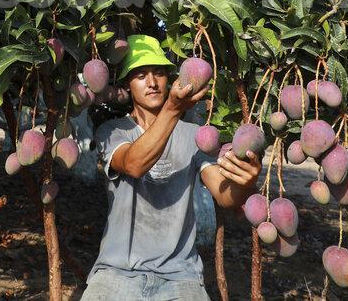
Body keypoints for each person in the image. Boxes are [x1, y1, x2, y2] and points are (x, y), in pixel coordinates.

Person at [81, 35, 262, 300]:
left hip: (180, 275)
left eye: (159, 74)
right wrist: (173, 109)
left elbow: (225, 197)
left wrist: (245, 183)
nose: (152, 83)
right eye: (141, 75)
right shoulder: (113, 131)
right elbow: (134, 164)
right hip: (116, 272)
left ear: (170, 79)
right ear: (128, 85)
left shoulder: (193, 135)